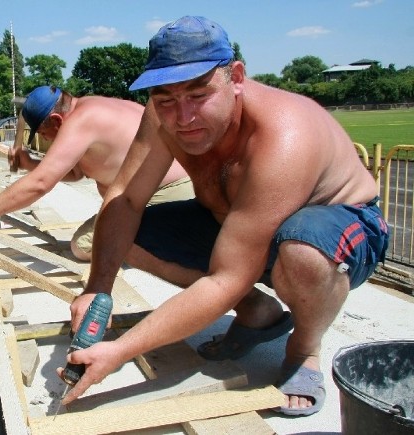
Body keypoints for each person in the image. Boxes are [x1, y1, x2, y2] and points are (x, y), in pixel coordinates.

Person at [59, 16, 389, 417]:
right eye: (165, 100)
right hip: (241, 224)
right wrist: (98, 286)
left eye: (199, 95)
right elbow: (125, 200)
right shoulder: (161, 114)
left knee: (302, 250)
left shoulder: (283, 135)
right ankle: (257, 312)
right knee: (119, 230)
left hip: (339, 228)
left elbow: (226, 278)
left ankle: (304, 349)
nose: (183, 117)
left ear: (235, 77)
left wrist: (120, 351)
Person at [0, 86, 194, 261]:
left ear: (57, 120)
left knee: (83, 247)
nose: (46, 139)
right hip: (162, 190)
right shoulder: (92, 105)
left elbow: (40, 184)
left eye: (43, 132)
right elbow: (76, 174)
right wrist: (30, 164)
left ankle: (174, 240)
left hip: (167, 194)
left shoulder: (81, 121)